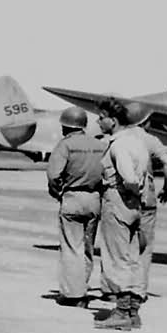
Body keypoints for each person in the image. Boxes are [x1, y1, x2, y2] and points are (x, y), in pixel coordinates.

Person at [94, 100, 167, 330]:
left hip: (118, 203)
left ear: (114, 121)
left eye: (101, 117)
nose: (98, 121)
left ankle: (121, 313)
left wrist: (130, 190)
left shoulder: (118, 145)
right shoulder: (138, 142)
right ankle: (133, 312)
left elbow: (128, 177)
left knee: (115, 258)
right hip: (137, 206)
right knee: (133, 258)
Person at [46, 106, 106, 305]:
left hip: (72, 198)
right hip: (95, 199)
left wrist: (58, 193)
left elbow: (54, 175)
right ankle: (83, 288)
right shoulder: (100, 144)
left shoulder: (65, 145)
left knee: (72, 247)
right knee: (88, 248)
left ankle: (73, 294)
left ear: (65, 127)